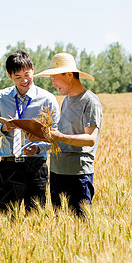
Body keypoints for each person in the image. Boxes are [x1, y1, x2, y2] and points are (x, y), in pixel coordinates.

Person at [0, 50, 60, 213]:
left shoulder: (47, 99)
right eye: (18, 77)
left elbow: (57, 134)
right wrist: (3, 128)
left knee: (34, 217)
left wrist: (38, 148)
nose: (24, 80)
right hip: (9, 165)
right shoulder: (0, 98)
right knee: (4, 218)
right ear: (9, 75)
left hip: (36, 165)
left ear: (33, 69)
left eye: (27, 74)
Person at [33, 52, 102, 218]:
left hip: (78, 175)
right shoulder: (67, 101)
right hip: (57, 173)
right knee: (61, 228)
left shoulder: (89, 101)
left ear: (69, 75)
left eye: (54, 78)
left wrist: (59, 137)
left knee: (80, 226)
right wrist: (38, 141)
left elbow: (90, 139)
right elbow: (61, 137)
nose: (52, 83)